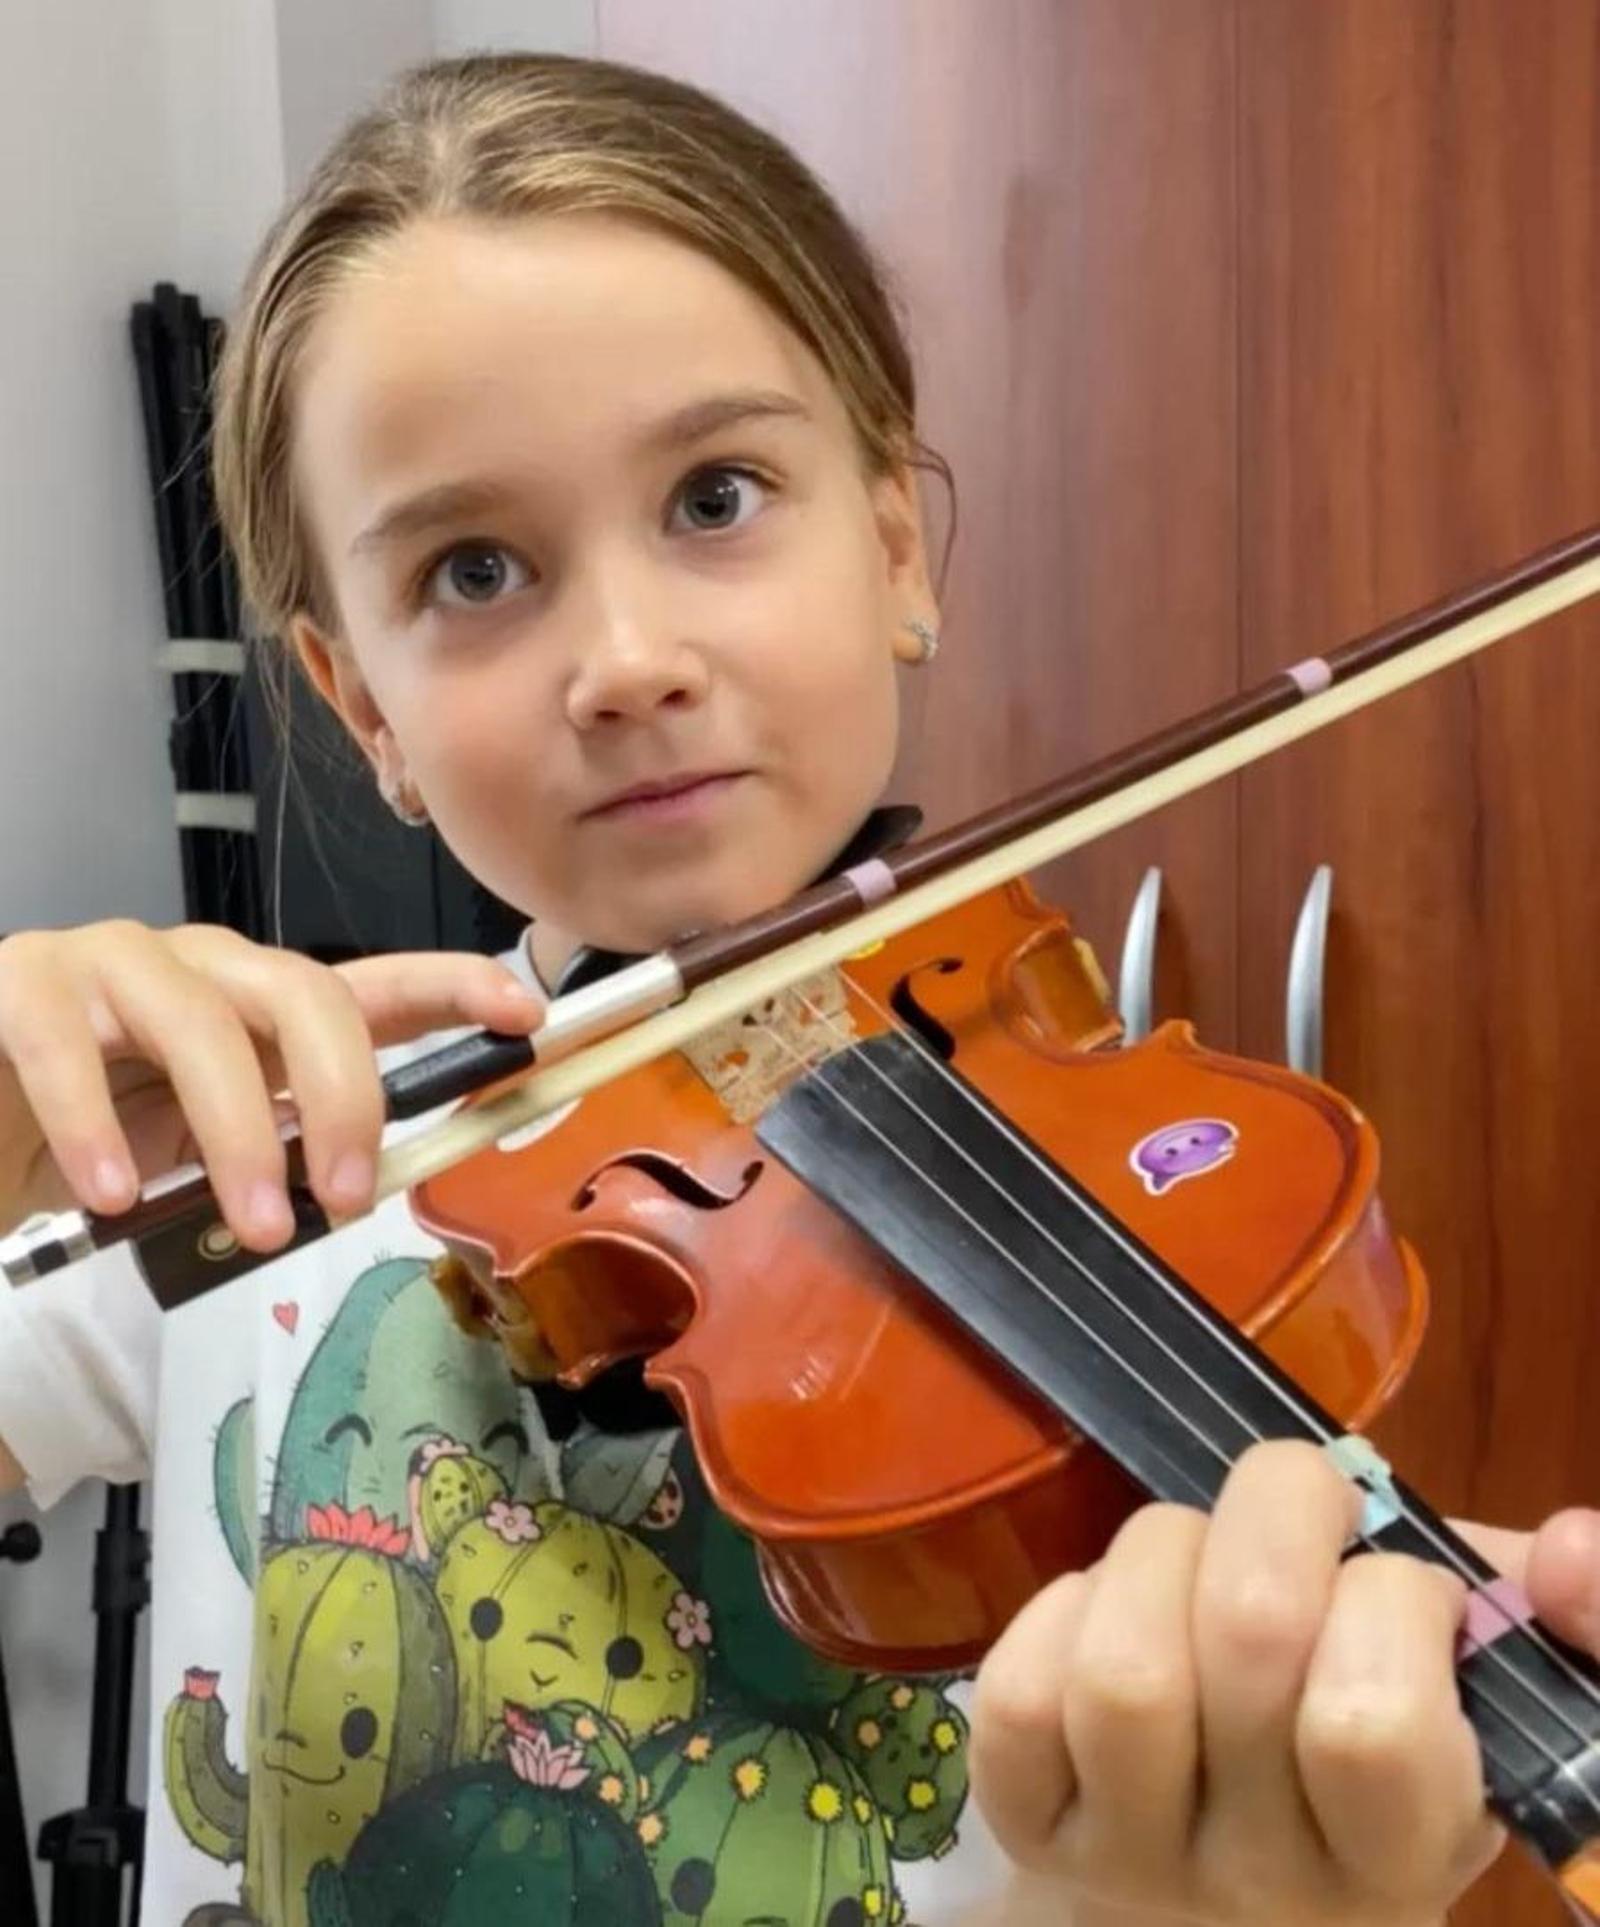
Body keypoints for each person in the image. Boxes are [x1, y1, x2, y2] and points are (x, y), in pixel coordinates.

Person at [0, 51, 1577, 1927]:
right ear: (368, 715)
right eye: (476, 567)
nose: (627, 660)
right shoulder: (261, 1169)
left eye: (718, 494)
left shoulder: (1156, 1204)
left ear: (895, 547)